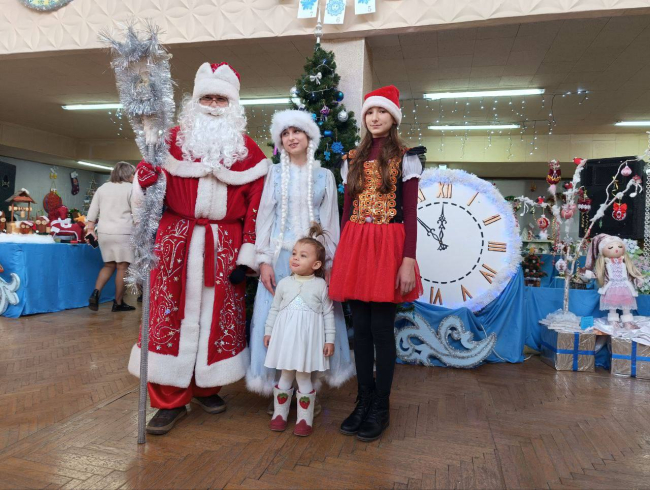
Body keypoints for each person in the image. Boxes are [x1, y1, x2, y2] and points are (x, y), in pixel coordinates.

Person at [129, 62, 270, 435]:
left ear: (233, 104)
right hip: (175, 241)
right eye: (207, 97)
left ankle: (207, 386)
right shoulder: (169, 142)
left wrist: (248, 253)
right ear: (194, 101)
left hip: (224, 247)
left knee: (217, 316)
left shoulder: (249, 152)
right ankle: (168, 400)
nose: (213, 105)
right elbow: (146, 201)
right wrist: (143, 182)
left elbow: (256, 208)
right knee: (168, 317)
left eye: (221, 99)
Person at [329, 85, 424, 442]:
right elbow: (346, 212)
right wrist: (342, 255)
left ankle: (381, 405)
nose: (375, 117)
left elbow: (411, 213)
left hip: (389, 247)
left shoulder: (406, 158)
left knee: (382, 329)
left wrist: (408, 260)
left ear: (393, 117)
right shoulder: (351, 159)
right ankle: (363, 400)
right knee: (362, 330)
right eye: (370, 112)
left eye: (381, 111)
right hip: (356, 245)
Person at [246, 109, 354, 405]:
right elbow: (264, 218)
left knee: (314, 323)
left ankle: (309, 389)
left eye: (297, 131)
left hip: (314, 263)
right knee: (275, 322)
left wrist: (328, 264)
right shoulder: (274, 173)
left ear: (309, 136)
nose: (291, 138)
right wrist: (263, 260)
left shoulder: (324, 176)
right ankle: (280, 392)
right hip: (281, 260)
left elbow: (330, 222)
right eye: (285, 133)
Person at [264, 224, 335, 436]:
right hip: (286, 340)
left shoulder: (320, 286)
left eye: (303, 256)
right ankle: (280, 415)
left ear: (316, 264)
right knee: (285, 376)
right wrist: (268, 331)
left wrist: (329, 340)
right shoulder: (284, 284)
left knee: (304, 377)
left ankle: (304, 419)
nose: (295, 258)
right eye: (294, 253)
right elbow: (274, 309)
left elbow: (328, 313)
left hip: (307, 343)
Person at [86, 161, 136, 312]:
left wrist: (90, 229)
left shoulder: (103, 188)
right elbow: (137, 213)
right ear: (128, 174)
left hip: (104, 233)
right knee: (122, 267)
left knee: (108, 265)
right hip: (124, 232)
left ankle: (96, 293)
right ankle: (118, 302)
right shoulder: (132, 189)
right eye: (133, 174)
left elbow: (92, 212)